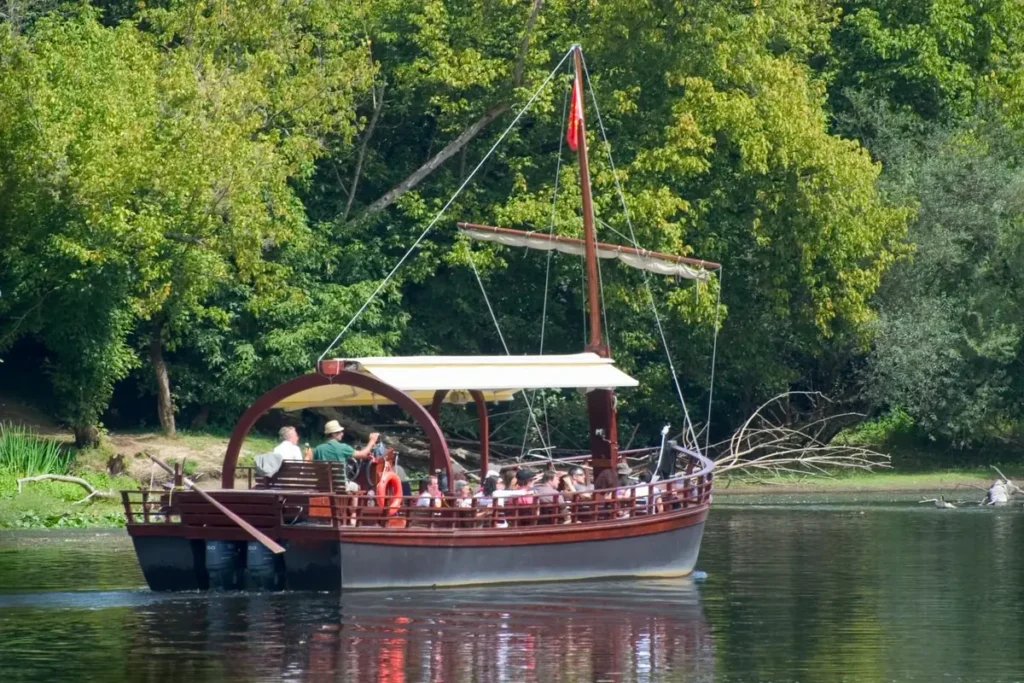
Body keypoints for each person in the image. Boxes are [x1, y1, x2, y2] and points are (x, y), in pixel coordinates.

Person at [312, 420, 379, 469]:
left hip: (322, 485)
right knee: (358, 486)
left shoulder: (318, 449)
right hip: (340, 485)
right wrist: (372, 441)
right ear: (333, 434)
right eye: (340, 432)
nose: (342, 434)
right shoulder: (343, 447)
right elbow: (363, 454)